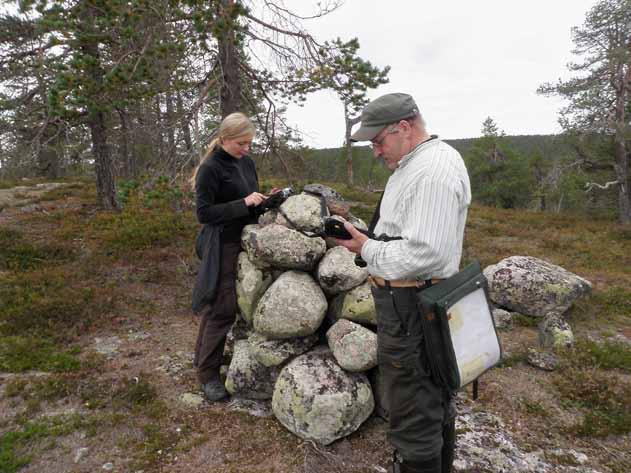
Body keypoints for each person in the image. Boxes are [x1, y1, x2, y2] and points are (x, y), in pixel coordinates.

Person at [336, 93, 471, 473]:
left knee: (414, 409)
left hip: (412, 306)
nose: (376, 152)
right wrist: (366, 242)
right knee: (430, 400)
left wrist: (368, 250)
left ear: (405, 128)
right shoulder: (416, 165)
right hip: (411, 302)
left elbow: (425, 253)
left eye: (378, 141)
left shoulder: (431, 171)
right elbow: (406, 236)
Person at [190, 112, 267, 402]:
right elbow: (204, 214)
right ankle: (208, 376)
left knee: (216, 307)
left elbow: (248, 201)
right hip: (220, 242)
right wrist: (242, 203)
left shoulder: (246, 162)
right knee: (222, 308)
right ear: (224, 139)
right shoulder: (210, 168)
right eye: (240, 143)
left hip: (243, 241)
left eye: (249, 143)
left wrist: (262, 201)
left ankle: (202, 360)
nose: (246, 149)